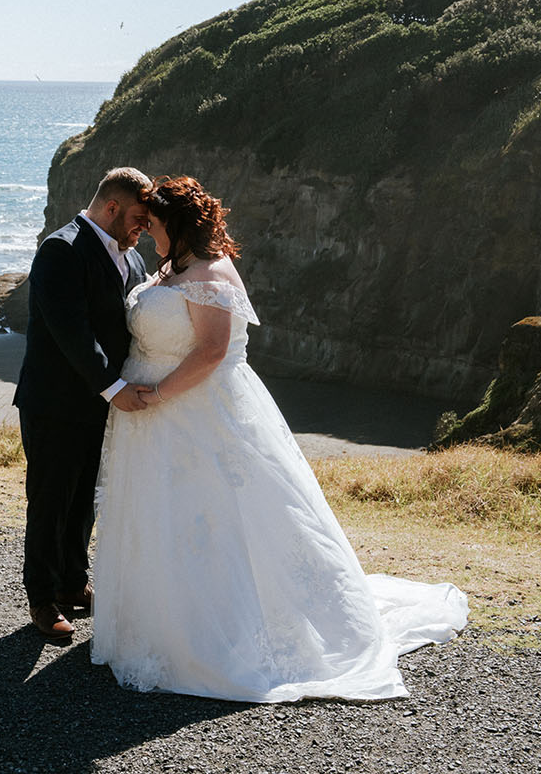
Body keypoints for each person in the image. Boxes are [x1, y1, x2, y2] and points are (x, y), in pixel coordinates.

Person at [91, 176, 467, 701]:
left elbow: (211, 352)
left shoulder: (211, 274)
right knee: (161, 516)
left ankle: (223, 635)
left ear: (175, 226)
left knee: (216, 516)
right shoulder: (170, 268)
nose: (148, 231)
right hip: (152, 424)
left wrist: (154, 396)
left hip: (194, 412)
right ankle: (156, 622)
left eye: (153, 224)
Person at [13, 166, 152, 639]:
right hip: (53, 401)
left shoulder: (132, 259)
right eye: (137, 217)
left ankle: (74, 581)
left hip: (101, 403)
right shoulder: (60, 249)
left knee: (85, 500)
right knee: (51, 499)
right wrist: (114, 387)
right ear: (111, 207)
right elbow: (73, 333)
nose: (142, 227)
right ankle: (42, 596)